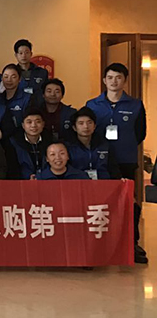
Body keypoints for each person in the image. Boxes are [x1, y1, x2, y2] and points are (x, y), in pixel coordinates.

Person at [85, 63, 148, 263]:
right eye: (110, 77)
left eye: (118, 77)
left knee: (130, 202)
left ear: (125, 81)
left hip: (125, 160)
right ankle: (100, 245)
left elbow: (140, 133)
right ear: (104, 80)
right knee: (100, 203)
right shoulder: (92, 105)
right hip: (100, 162)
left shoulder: (135, 105)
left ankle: (131, 243)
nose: (114, 81)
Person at [67, 107, 120, 180]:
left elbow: (113, 169)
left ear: (94, 126)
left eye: (89, 123)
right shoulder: (68, 147)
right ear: (74, 128)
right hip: (78, 183)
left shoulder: (105, 145)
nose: (86, 126)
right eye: (81, 123)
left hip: (103, 183)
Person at [8, 107, 51, 179]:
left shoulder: (51, 141)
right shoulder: (13, 143)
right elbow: (12, 168)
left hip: (47, 180)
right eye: (29, 122)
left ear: (43, 124)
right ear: (23, 125)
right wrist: (28, 177)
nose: (33, 125)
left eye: (38, 122)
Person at [0, 63, 37, 137]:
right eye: (6, 77)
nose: (9, 80)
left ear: (19, 79)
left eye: (13, 77)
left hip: (20, 138)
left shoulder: (28, 98)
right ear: (2, 79)